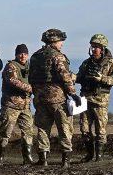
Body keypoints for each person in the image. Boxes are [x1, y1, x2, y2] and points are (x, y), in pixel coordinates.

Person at [29, 29, 80, 167]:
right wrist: (73, 94)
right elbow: (65, 76)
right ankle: (65, 160)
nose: (62, 44)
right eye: (60, 41)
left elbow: (31, 78)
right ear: (54, 41)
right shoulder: (58, 56)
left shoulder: (34, 56)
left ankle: (43, 159)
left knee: (42, 129)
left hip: (40, 98)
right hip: (57, 99)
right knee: (64, 128)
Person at [76, 34, 113, 162]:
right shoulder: (86, 63)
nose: (94, 49)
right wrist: (73, 77)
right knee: (84, 128)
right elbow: (79, 77)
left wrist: (102, 79)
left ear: (102, 48)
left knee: (100, 129)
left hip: (100, 101)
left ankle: (99, 156)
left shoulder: (110, 63)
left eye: (97, 47)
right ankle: (90, 154)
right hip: (85, 99)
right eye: (93, 46)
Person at [0, 44, 34, 165]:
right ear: (16, 55)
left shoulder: (30, 67)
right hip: (11, 105)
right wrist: (31, 88)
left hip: (26, 106)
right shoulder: (11, 66)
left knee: (28, 131)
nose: (23, 56)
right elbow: (13, 81)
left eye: (25, 54)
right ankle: (0, 157)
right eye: (20, 53)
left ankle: (27, 157)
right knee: (6, 132)